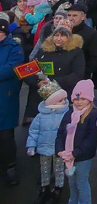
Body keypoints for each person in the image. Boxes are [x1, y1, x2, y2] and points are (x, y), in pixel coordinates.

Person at [56, 79, 97, 204]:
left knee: (81, 183)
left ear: (90, 99)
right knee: (72, 183)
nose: (79, 102)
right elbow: (60, 134)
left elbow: (90, 141)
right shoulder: (69, 114)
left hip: (82, 157)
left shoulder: (93, 115)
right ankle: (73, 201)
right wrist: (59, 150)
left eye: (82, 99)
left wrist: (75, 153)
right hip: (68, 156)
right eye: (76, 99)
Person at [26, 80, 69, 204]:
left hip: (59, 149)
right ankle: (44, 189)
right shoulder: (40, 116)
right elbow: (33, 131)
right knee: (44, 169)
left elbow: (70, 132)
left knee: (59, 169)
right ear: (51, 102)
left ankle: (57, 188)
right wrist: (31, 145)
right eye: (61, 100)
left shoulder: (66, 115)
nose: (65, 102)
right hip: (44, 149)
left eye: (64, 99)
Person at [0, 18, 24, 186]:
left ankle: (10, 167)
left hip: (5, 97)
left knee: (6, 135)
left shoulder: (14, 48)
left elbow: (12, 69)